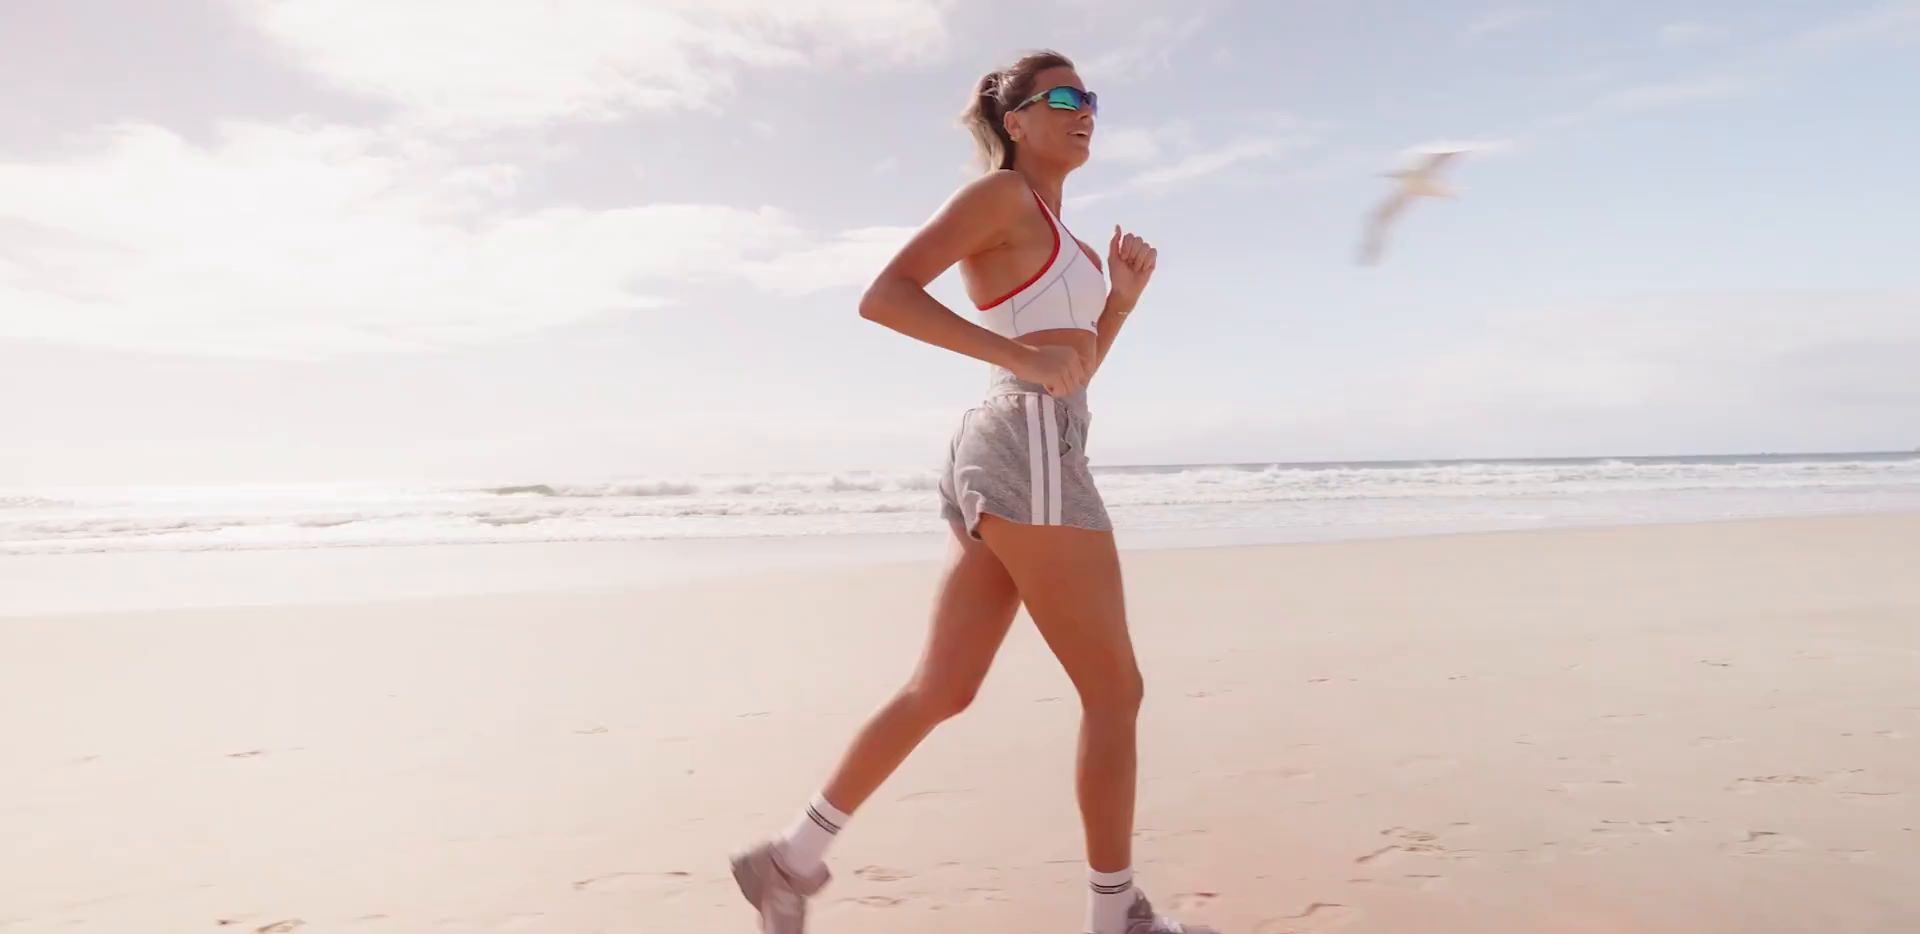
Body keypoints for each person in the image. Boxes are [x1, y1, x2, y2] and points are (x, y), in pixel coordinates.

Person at [730, 49, 1212, 934]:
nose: (1083, 110)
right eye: (1060, 96)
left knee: (942, 689)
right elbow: (885, 295)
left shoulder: (1057, 226)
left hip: (1023, 439)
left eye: (1090, 97)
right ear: (1014, 120)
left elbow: (1075, 370)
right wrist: (1015, 355)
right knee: (1116, 694)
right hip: (1024, 445)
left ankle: (790, 859)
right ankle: (1120, 920)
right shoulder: (1000, 196)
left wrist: (1121, 305)